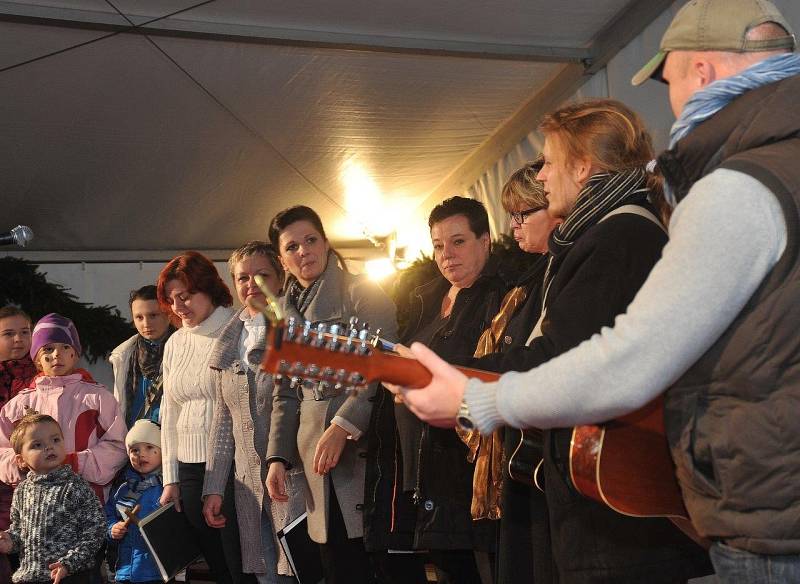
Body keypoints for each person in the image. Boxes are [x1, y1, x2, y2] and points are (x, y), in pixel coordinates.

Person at [395, 1, 800, 582]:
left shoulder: (736, 187)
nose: (671, 99)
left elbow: (634, 358)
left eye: (670, 78)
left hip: (771, 519)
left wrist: (478, 400)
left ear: (703, 73)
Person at [396, 99, 713, 583]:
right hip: (609, 509)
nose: (540, 176)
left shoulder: (619, 234)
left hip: (620, 524)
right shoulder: (613, 231)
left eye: (547, 162)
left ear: (582, 166)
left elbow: (559, 361)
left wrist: (456, 383)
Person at [369, 196, 509, 584]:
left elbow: (485, 374)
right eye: (437, 245)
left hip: (471, 476)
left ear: (486, 241)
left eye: (458, 241)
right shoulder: (425, 300)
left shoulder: (501, 298)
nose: (446, 254)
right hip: (426, 474)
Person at [264, 205, 397, 584]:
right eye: (292, 247)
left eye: (310, 240)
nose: (303, 251)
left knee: (372, 560)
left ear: (325, 243)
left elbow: (382, 365)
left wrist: (343, 425)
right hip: (312, 455)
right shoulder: (283, 317)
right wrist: (277, 457)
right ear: (282, 259)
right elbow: (285, 394)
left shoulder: (363, 293)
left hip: (363, 446)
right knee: (334, 561)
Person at [464, 161, 561, 584]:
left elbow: (541, 356)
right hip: (526, 452)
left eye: (523, 214)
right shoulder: (534, 277)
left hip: (547, 454)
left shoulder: (555, 273)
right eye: (512, 216)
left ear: (555, 208)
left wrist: (461, 374)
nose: (515, 226)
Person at [202, 241, 299, 584]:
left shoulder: (294, 329)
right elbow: (222, 421)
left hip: (292, 477)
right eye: (243, 278)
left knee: (298, 570)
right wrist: (213, 488)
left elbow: (295, 403)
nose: (251, 285)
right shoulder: (228, 341)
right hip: (246, 484)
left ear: (280, 279)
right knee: (265, 575)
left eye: (262, 275)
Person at [155, 251, 239, 583]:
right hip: (189, 470)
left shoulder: (236, 328)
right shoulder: (174, 342)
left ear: (209, 289)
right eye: (172, 299)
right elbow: (170, 411)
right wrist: (170, 478)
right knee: (217, 564)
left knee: (240, 561)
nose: (178, 307)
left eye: (185, 296)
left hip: (232, 466)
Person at [0, 313, 127, 502]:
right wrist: (24, 463)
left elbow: (118, 446)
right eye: (48, 349)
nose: (56, 355)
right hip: (36, 503)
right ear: (37, 359)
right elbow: (2, 450)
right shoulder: (18, 406)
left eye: (65, 347)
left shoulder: (98, 398)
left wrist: (76, 463)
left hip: (86, 501)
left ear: (74, 354)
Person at [0, 413, 105, 584]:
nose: (49, 447)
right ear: (21, 461)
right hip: (28, 577)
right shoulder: (22, 490)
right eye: (37, 445)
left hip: (70, 576)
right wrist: (10, 541)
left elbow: (96, 531)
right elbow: (20, 532)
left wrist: (69, 564)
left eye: (55, 440)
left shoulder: (75, 486)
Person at [0, 306, 36, 582]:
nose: (18, 339)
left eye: (25, 332)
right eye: (8, 333)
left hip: (32, 481)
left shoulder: (43, 376)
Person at [105, 419, 163, 584]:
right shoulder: (123, 487)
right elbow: (108, 515)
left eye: (150, 447)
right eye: (134, 450)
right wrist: (112, 529)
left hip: (157, 572)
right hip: (124, 570)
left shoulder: (167, 487)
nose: (140, 454)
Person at [109, 286, 175, 427]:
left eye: (153, 315)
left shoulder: (182, 350)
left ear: (169, 315)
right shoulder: (123, 355)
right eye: (139, 317)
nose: (146, 324)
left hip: (169, 437)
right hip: (134, 439)